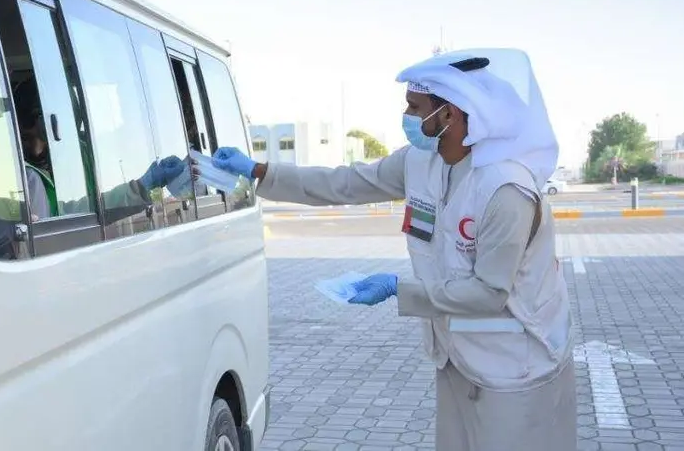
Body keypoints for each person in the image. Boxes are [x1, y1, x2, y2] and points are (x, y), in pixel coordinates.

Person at [212, 48, 577, 451]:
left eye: (414, 107)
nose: (406, 117)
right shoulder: (422, 161)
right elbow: (345, 183)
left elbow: (489, 293)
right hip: (457, 357)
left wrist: (397, 288)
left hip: (516, 367)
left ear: (449, 116)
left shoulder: (506, 189)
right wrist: (260, 172)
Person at [13, 79, 191, 221]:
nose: (36, 151)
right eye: (26, 139)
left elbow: (86, 211)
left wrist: (144, 185)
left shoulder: (86, 153)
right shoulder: (20, 175)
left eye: (45, 140)